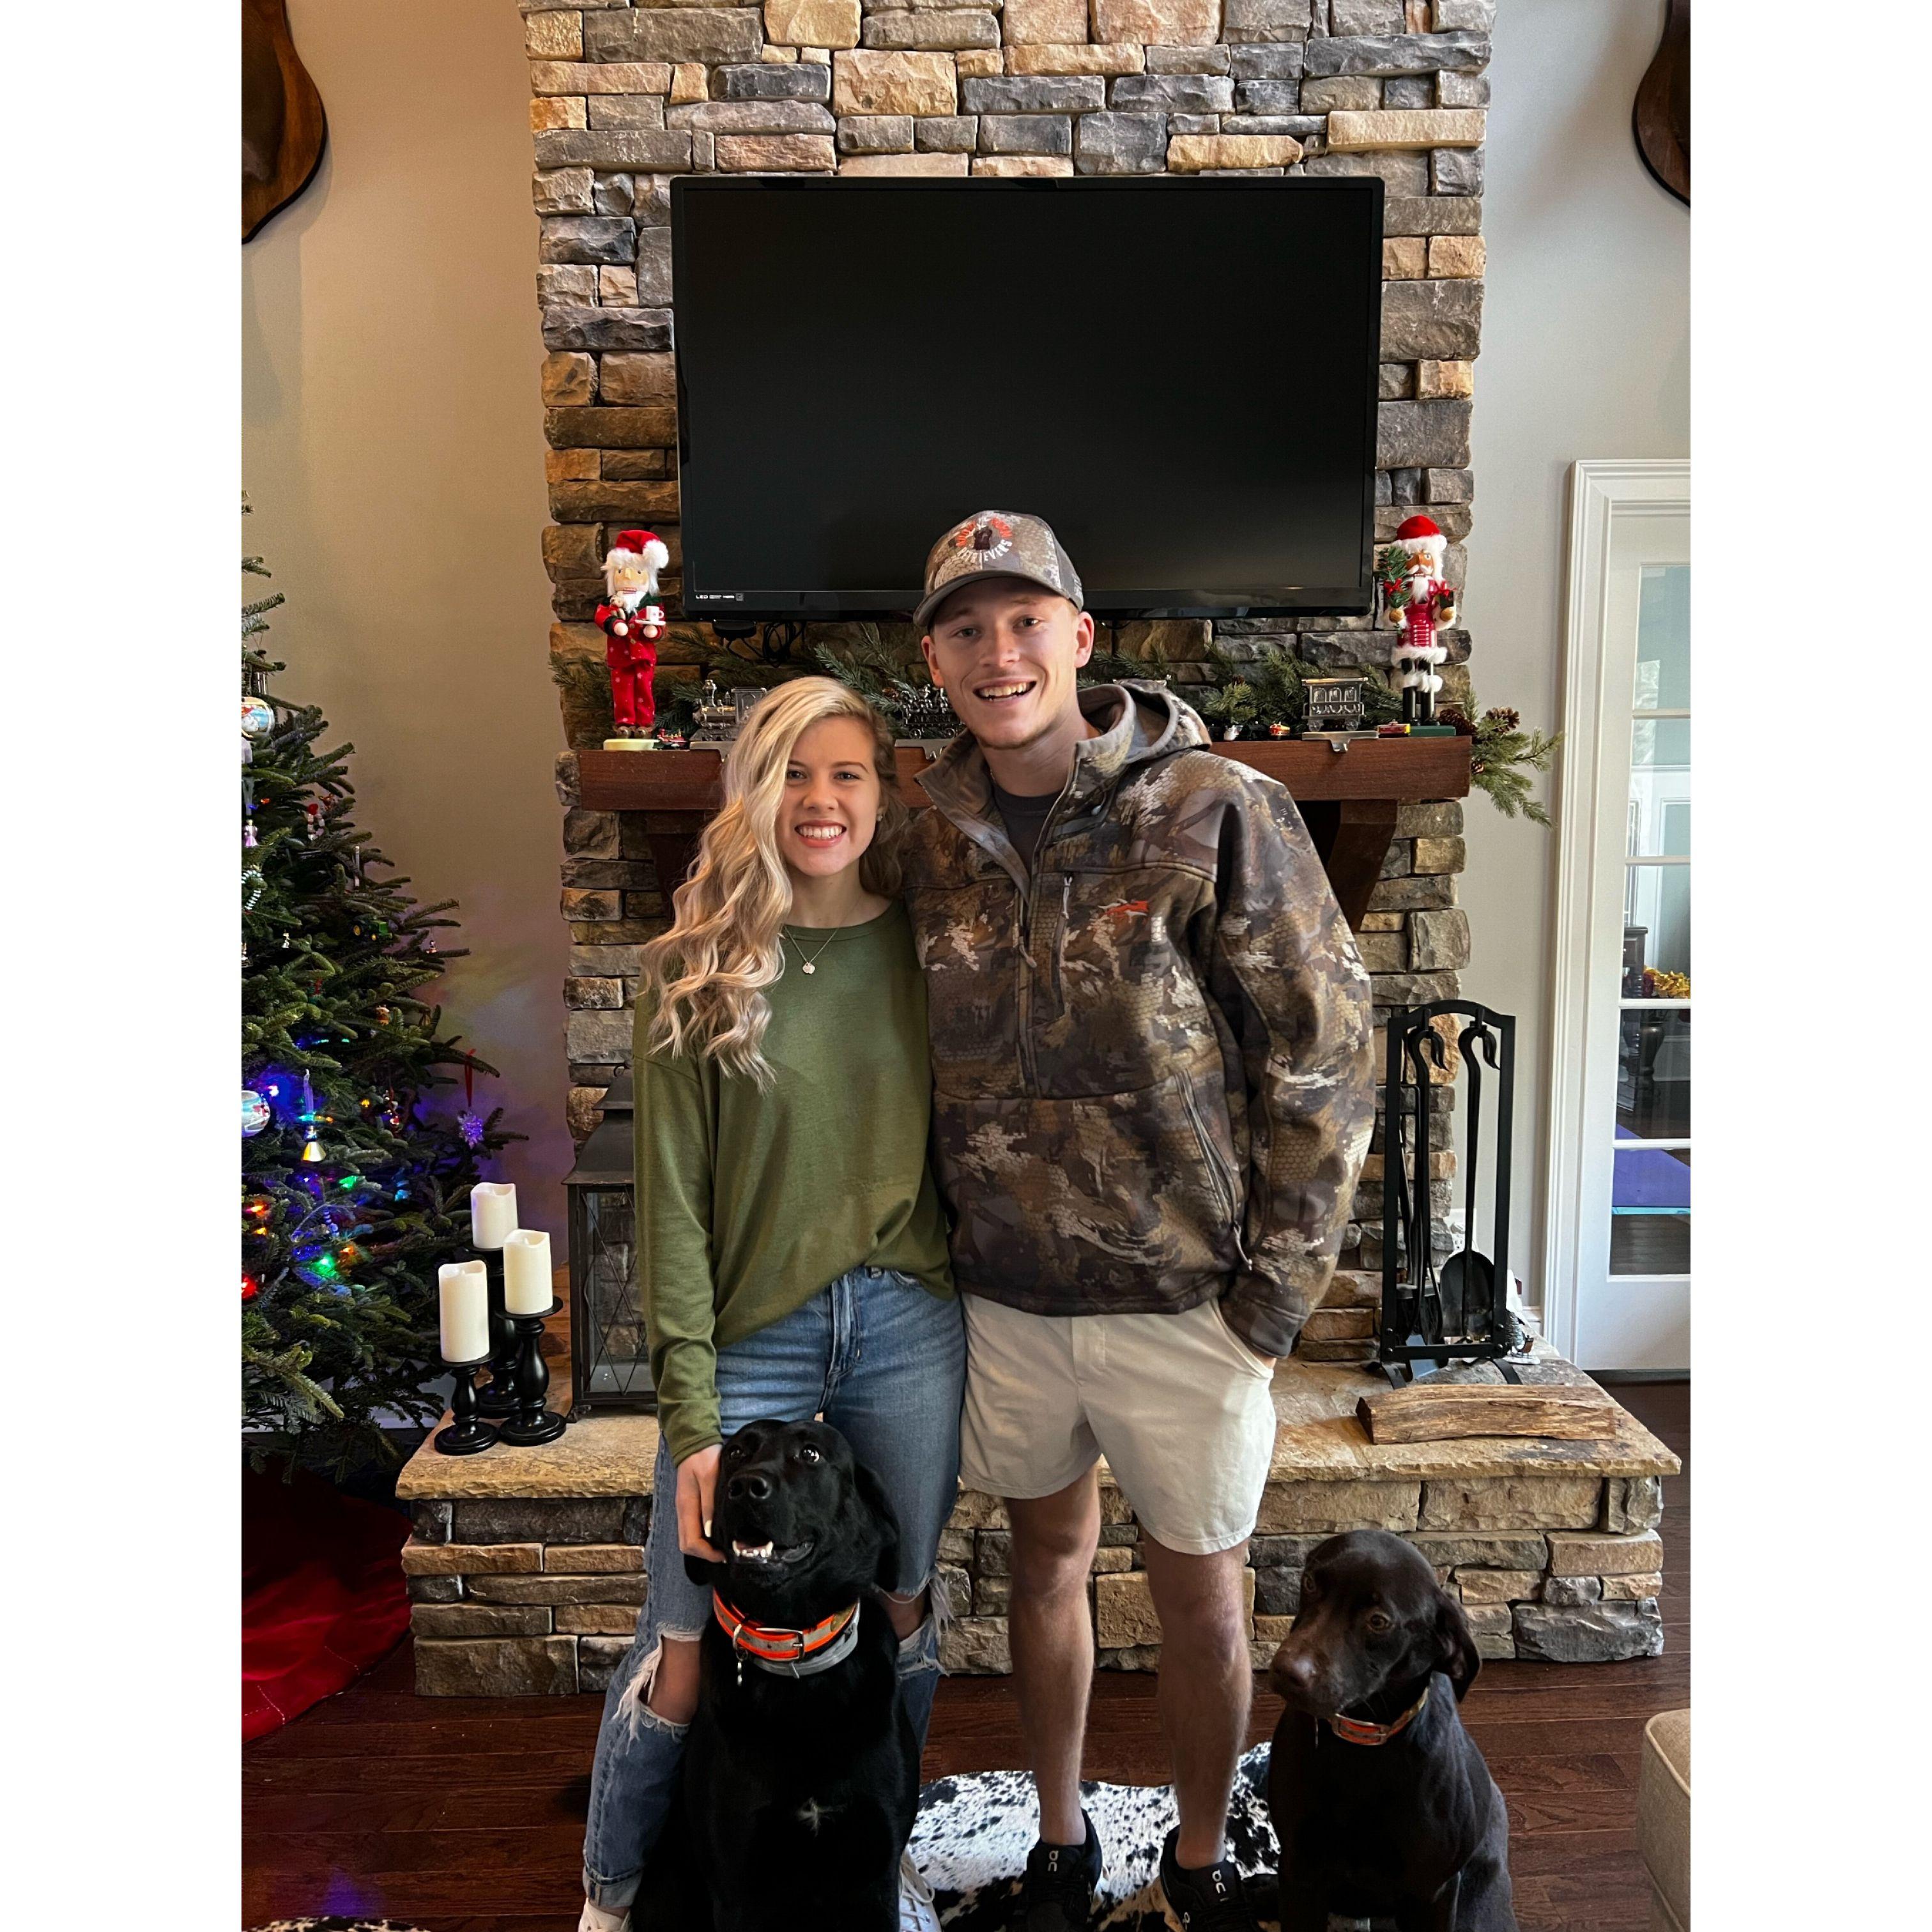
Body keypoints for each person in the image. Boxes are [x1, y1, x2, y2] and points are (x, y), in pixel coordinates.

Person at [901, 512, 1377, 1932]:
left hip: (1187, 1302)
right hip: (1006, 1296)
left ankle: (1196, 1860)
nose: (1000, 653)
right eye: (967, 628)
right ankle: (1059, 1845)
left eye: (1025, 620)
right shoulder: (920, 833)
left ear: (1081, 636)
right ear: (934, 658)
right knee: (1043, 1564)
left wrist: (1272, 1300)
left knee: (1205, 1600)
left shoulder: (1215, 805)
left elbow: (1325, 1049)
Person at [579, 678, 965, 1932]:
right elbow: (669, 1211)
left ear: (882, 793)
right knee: (684, 1640)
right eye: (794, 773)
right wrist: (692, 1417)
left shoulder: (926, 953)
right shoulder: (692, 972)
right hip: (753, 1339)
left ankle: (876, 1858)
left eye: (848, 773)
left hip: (906, 1327)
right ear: (755, 790)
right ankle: (611, 1895)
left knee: (900, 1607)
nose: (821, 799)